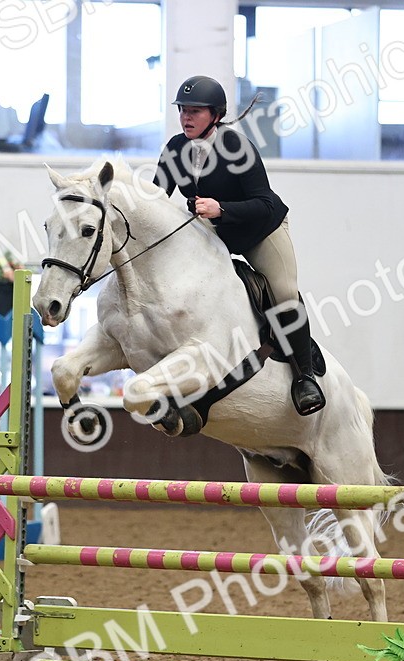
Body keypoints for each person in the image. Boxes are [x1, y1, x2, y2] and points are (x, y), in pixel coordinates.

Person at [153, 75, 325, 416]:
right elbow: (156, 198)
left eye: (195, 112)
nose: (186, 117)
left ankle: (305, 378)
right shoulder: (174, 148)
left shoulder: (237, 148)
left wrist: (222, 209)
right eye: (183, 110)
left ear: (215, 115)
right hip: (214, 234)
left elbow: (263, 202)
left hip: (260, 230)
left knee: (284, 292)